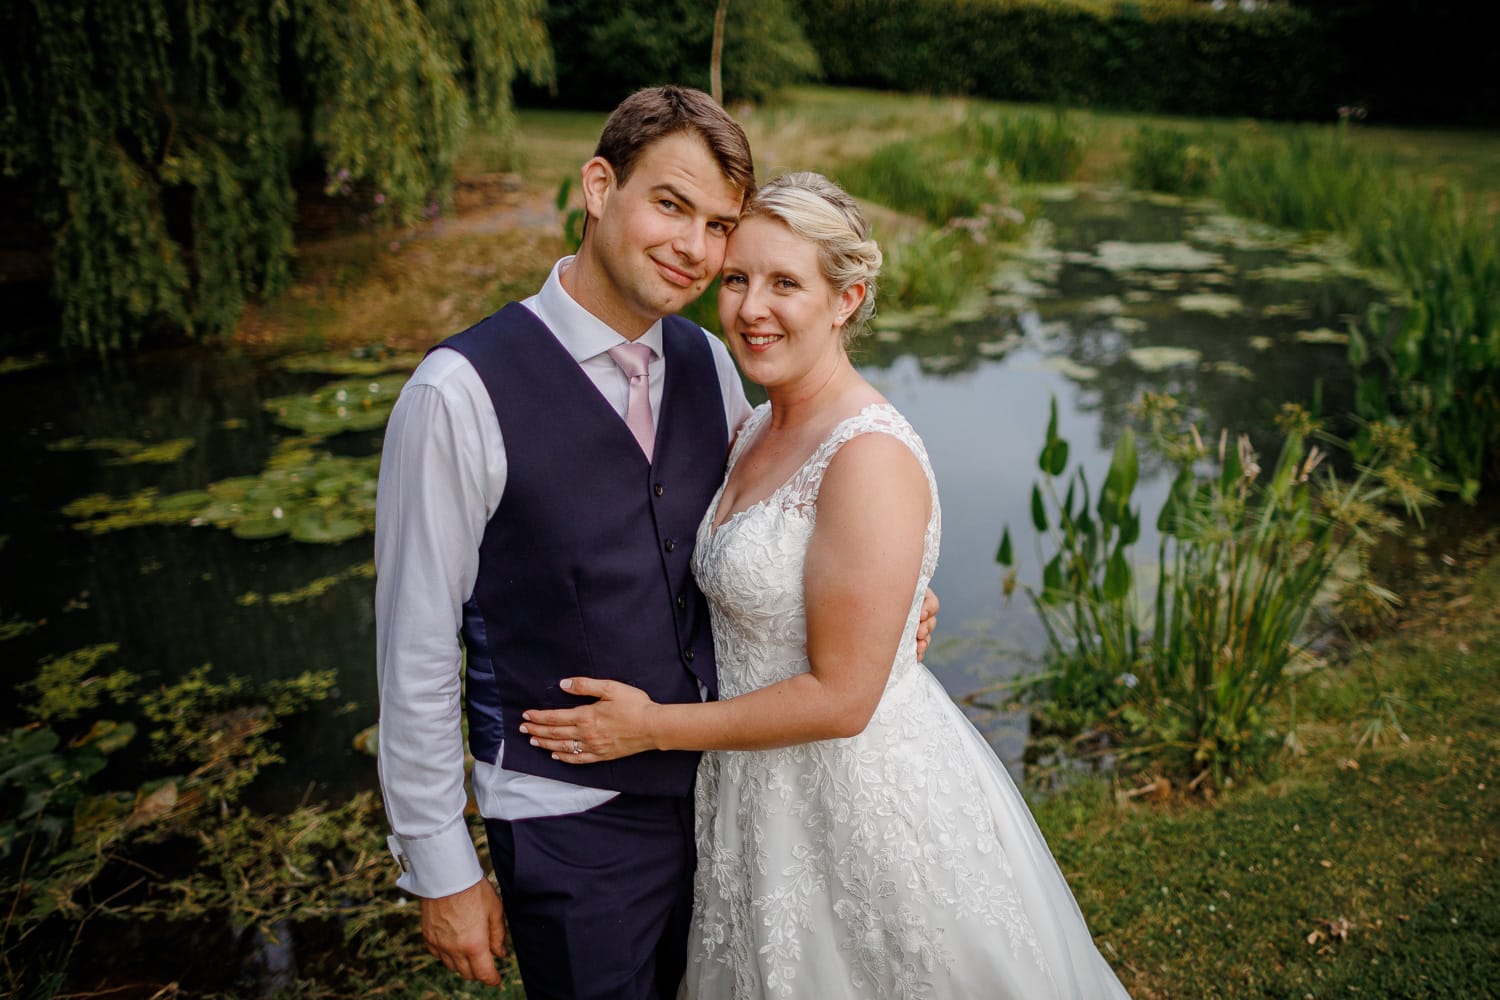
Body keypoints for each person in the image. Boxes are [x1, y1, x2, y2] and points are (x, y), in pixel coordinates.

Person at [374, 88, 937, 999]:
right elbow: (413, 650)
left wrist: (891, 593)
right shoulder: (457, 394)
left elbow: (776, 526)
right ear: (600, 187)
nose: (694, 249)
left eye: (719, 225)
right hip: (571, 822)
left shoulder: (710, 363)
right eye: (670, 205)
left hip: (729, 800)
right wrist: (441, 864)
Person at [520, 173, 1132, 999]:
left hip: (854, 797)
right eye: (736, 279)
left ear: (847, 298)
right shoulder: (755, 423)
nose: (750, 308)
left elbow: (845, 698)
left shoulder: (867, 452)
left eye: (785, 284)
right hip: (755, 791)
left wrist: (652, 728)